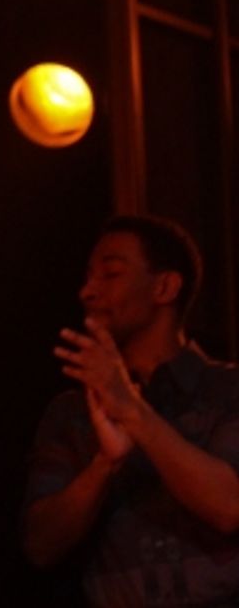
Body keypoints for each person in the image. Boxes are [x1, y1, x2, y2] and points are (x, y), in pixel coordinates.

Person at [21, 214, 239, 604]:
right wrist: (104, 464)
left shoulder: (228, 389)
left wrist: (133, 411)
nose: (88, 291)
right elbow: (40, 544)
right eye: (88, 276)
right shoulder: (71, 412)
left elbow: (230, 506)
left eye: (111, 274)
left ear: (165, 286)